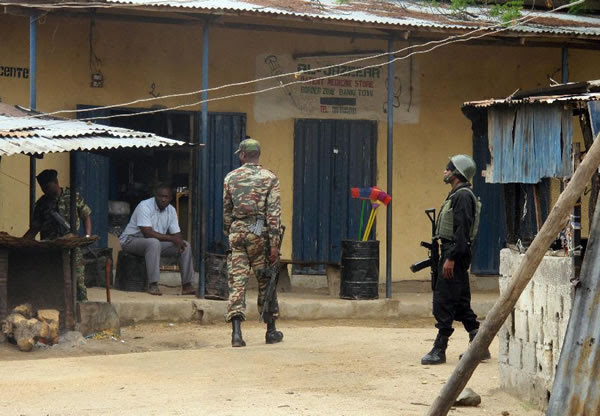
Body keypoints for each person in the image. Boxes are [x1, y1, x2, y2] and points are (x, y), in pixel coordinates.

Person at [421, 154, 490, 365]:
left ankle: (439, 349)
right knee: (460, 302)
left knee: (444, 300)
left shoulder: (462, 196)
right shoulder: (457, 194)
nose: (445, 171)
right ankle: (480, 346)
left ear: (458, 172)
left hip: (455, 254)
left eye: (449, 168)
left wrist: (450, 257)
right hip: (453, 253)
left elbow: (462, 231)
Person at [223, 137, 283, 347]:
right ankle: (270, 331)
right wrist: (274, 243)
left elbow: (227, 211)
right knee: (266, 280)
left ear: (242, 155)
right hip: (260, 233)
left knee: (237, 282)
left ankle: (236, 334)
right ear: (258, 155)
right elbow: (274, 214)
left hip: (237, 232)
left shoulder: (231, 178)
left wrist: (229, 232)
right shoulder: (270, 178)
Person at [23, 169, 93, 302]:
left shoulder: (73, 196)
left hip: (71, 245)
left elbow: (86, 216)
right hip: (50, 247)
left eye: (47, 187)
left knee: (78, 280)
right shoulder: (42, 204)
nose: (44, 190)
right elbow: (35, 228)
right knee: (52, 280)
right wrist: (22, 242)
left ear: (56, 182)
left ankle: (82, 308)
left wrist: (87, 236)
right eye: (42, 188)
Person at [120, 184, 195, 296]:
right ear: (155, 196)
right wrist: (172, 238)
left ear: (170, 198)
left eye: (166, 197)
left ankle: (187, 285)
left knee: (185, 246)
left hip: (154, 244)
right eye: (160, 196)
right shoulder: (144, 206)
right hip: (131, 241)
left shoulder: (171, 210)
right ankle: (153, 284)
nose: (163, 199)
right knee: (153, 242)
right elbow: (147, 233)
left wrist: (179, 240)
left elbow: (176, 233)